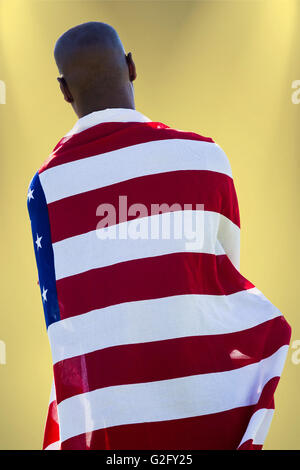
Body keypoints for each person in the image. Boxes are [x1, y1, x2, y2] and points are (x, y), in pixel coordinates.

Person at [27, 21, 291, 450]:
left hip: (111, 426)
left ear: (65, 91)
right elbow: (222, 282)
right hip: (208, 409)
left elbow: (64, 328)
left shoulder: (47, 188)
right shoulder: (206, 159)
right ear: (131, 67)